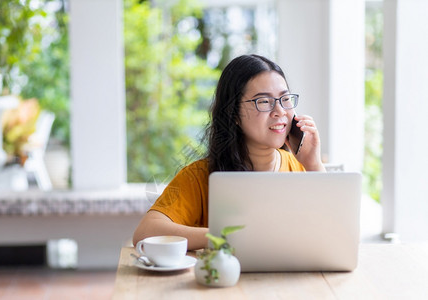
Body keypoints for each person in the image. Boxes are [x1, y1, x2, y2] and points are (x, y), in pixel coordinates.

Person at [133, 54, 325, 250]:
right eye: (264, 102)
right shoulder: (199, 176)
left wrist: (314, 165)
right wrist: (223, 237)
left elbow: (331, 229)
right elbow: (145, 232)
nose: (280, 111)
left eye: (285, 99)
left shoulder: (301, 167)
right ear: (233, 114)